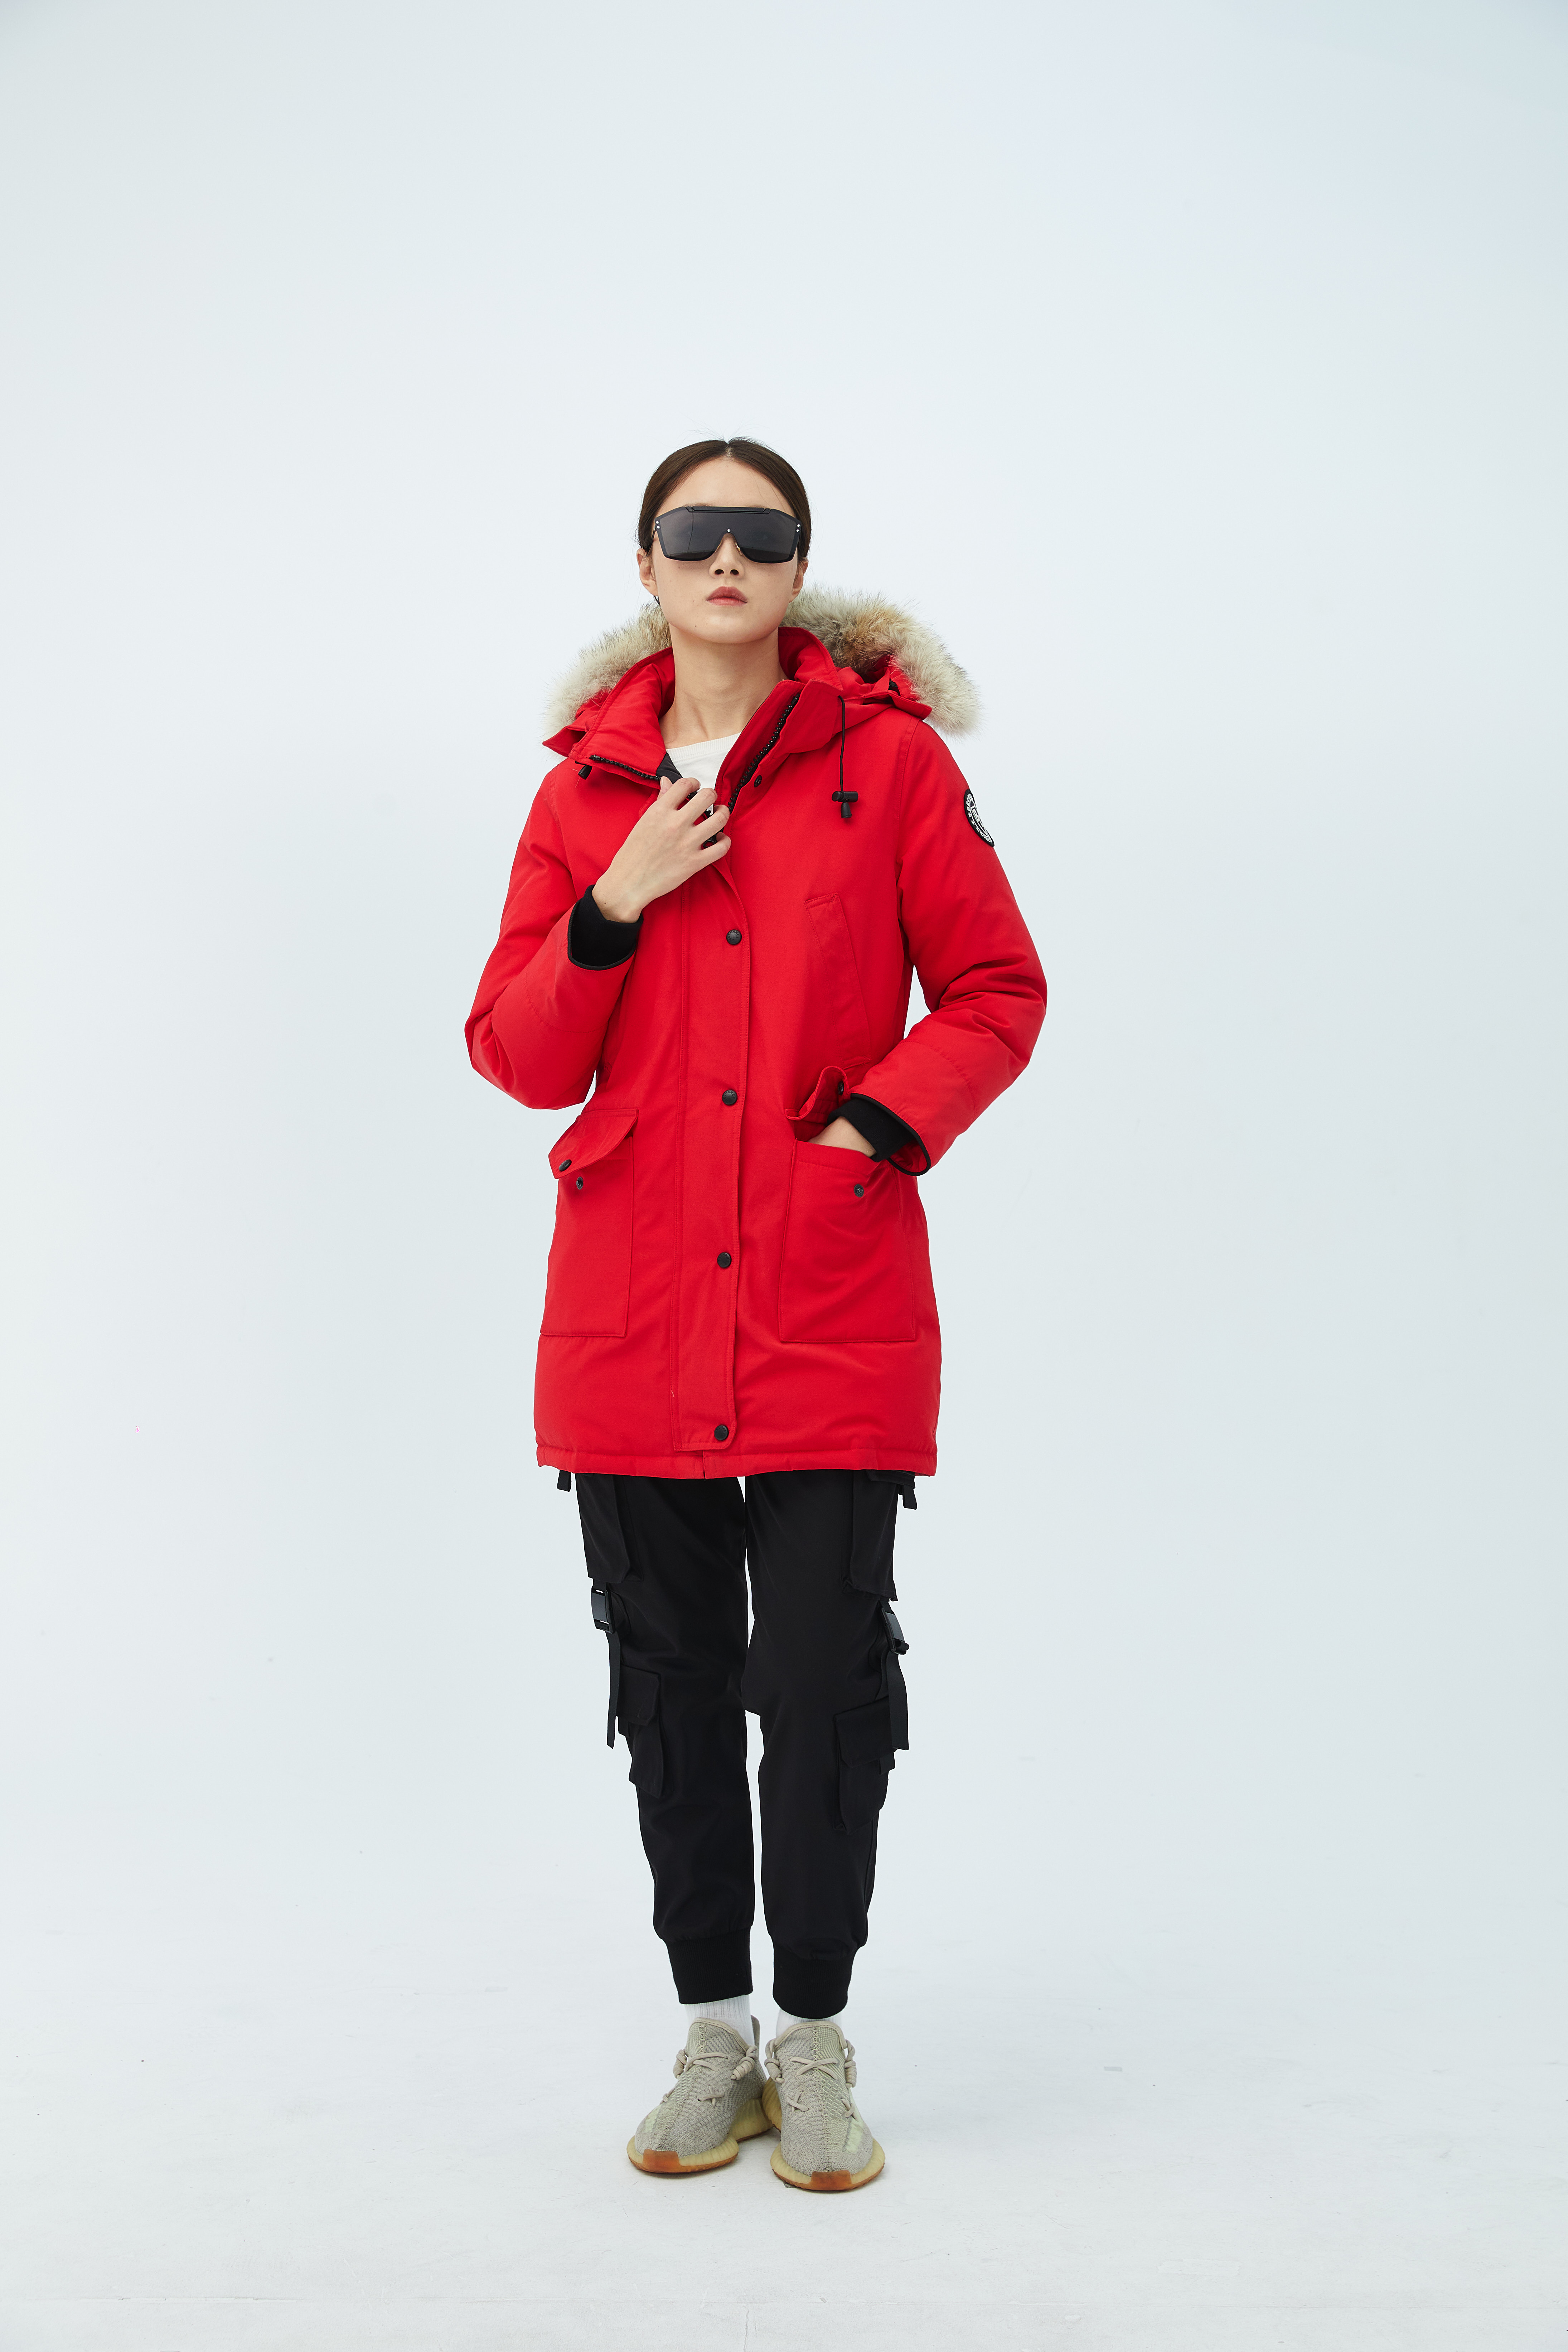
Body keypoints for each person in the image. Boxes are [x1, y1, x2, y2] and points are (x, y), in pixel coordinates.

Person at [466, 438, 1046, 2190]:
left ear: (799, 569)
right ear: (646, 564)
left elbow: (998, 986)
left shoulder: (891, 762)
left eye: (762, 532)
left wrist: (876, 1125)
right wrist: (615, 898)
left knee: (821, 1676)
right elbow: (517, 1052)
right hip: (633, 1303)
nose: (728, 556)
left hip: (824, 1285)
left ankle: (814, 2033)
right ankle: (712, 2030)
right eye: (695, 530)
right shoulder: (586, 790)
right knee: (669, 1682)